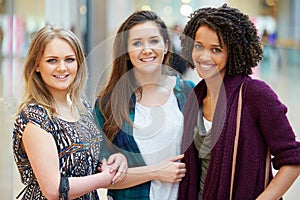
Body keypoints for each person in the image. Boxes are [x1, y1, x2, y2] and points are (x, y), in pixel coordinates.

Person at [178, 4, 300, 200]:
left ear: (232, 52)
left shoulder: (255, 94)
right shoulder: (196, 95)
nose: (204, 56)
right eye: (198, 46)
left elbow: (293, 160)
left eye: (216, 49)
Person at [12, 25, 127, 199]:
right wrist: (104, 179)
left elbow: (90, 161)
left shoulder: (83, 107)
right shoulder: (35, 118)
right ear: (36, 65)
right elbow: (54, 190)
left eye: (69, 59)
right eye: (52, 60)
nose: (62, 68)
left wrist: (116, 159)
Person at [93, 10, 194, 199]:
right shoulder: (108, 104)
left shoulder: (187, 93)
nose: (147, 49)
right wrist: (155, 172)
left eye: (154, 41)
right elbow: (101, 175)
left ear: (166, 46)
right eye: (137, 43)